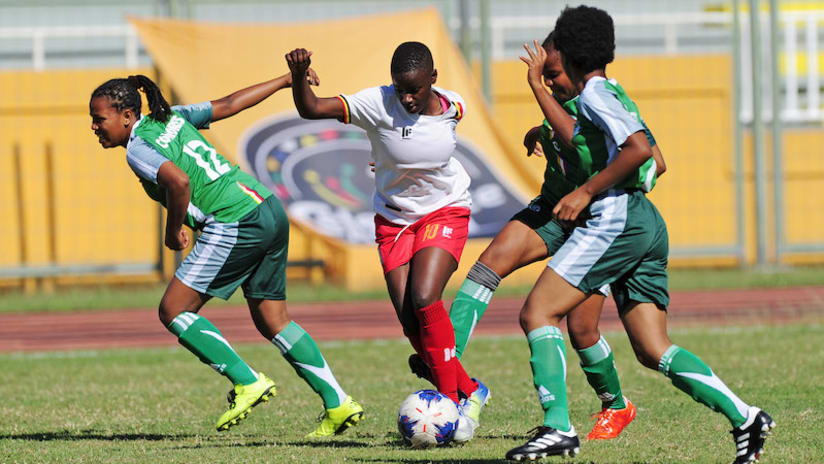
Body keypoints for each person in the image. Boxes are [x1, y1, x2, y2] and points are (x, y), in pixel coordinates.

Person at [504, 6, 774, 463]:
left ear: (565, 53)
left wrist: (586, 191)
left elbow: (639, 149)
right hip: (643, 220)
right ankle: (746, 417)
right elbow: (653, 160)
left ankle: (557, 428)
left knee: (537, 314)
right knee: (652, 348)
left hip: (615, 219)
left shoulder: (593, 96)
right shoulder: (611, 92)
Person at [88, 70, 364, 438]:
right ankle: (338, 403)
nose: (94, 126)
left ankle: (247, 382)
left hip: (234, 221)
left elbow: (179, 182)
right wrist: (283, 80)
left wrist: (172, 232)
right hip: (265, 205)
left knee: (173, 310)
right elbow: (230, 104)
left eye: (99, 118)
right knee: (273, 319)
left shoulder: (139, 147)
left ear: (126, 115)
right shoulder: (172, 117)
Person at [424, 30, 668, 442]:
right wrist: (541, 134)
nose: (550, 81)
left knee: (582, 329)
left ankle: (616, 405)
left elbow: (652, 160)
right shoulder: (567, 97)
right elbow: (565, 132)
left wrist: (595, 180)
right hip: (554, 209)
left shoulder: (606, 100)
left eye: (553, 74)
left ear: (574, 66)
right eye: (546, 76)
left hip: (598, 226)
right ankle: (449, 376)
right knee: (488, 266)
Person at [285, 41, 489, 441]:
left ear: (433, 79)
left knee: (425, 297)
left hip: (446, 210)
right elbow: (312, 108)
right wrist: (297, 76)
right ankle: (471, 388)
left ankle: (450, 402)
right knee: (409, 320)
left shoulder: (454, 106)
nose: (408, 97)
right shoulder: (376, 104)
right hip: (394, 219)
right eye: (401, 88)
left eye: (415, 88)